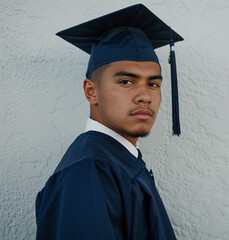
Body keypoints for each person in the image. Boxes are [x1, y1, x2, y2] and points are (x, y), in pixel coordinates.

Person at [35, 4, 183, 239]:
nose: (145, 95)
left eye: (153, 84)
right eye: (126, 81)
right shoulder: (90, 170)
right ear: (91, 91)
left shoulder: (118, 160)